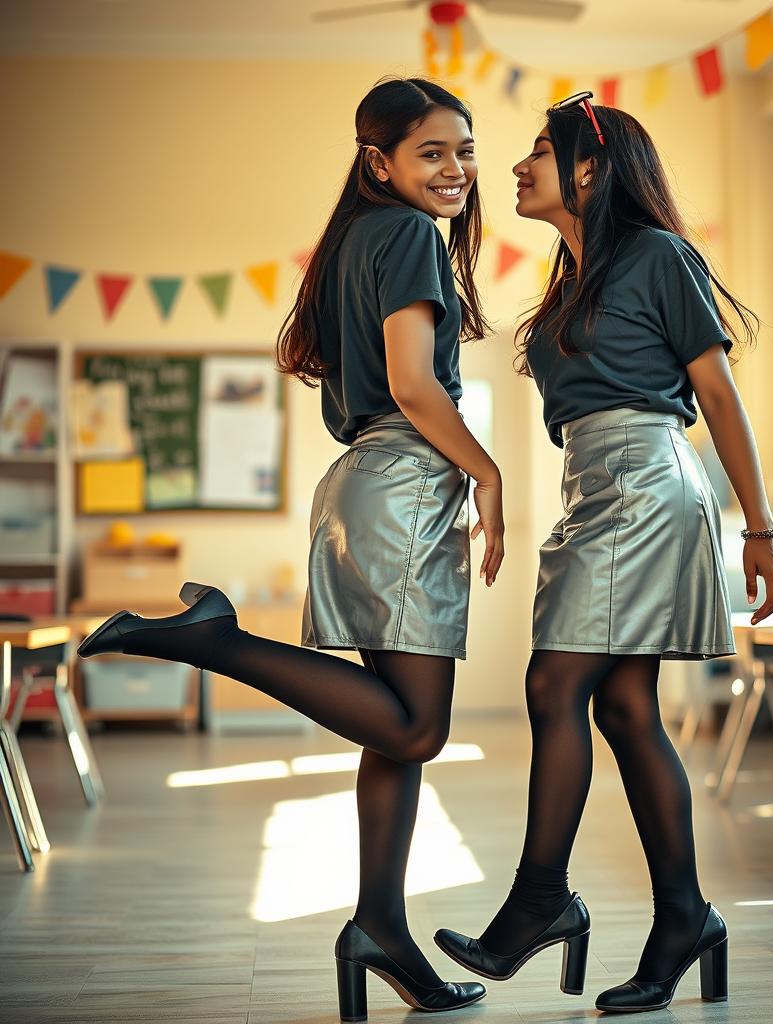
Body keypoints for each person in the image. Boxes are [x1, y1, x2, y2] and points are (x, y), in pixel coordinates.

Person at [77, 77, 504, 1023]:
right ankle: (214, 638)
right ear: (379, 160)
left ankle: (380, 929)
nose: (457, 170)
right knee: (417, 728)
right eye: (433, 152)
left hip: (365, 484)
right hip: (404, 479)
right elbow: (413, 384)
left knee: (393, 728)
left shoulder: (355, 239)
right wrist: (491, 473)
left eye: (466, 150)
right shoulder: (406, 237)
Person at [433, 92, 773, 1015]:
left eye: (538, 154)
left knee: (555, 686)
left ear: (590, 171)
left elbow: (717, 393)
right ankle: (686, 918)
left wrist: (759, 528)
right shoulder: (569, 280)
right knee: (627, 708)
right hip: (590, 488)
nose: (516, 168)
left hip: (647, 482)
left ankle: (540, 899)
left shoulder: (658, 257)